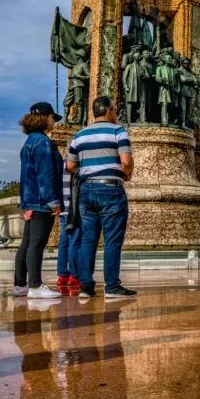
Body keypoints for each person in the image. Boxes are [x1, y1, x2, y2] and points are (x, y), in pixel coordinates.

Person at [67, 96, 137, 298]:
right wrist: (128, 172)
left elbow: (70, 166)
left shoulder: (79, 135)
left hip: (87, 189)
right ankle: (112, 286)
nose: (115, 113)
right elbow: (126, 160)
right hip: (110, 188)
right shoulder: (118, 131)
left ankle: (86, 287)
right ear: (108, 111)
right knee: (112, 240)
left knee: (88, 240)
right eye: (114, 110)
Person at [14, 102, 64, 300]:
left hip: (30, 198)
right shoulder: (43, 142)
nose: (54, 122)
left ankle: (20, 285)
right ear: (44, 118)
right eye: (53, 118)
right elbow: (45, 174)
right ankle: (35, 285)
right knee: (37, 243)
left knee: (27, 243)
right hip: (42, 200)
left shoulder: (29, 141)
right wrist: (53, 201)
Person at [56, 153, 81, 289]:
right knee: (75, 241)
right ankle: (74, 275)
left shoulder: (60, 164)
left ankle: (62, 275)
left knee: (63, 242)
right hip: (74, 208)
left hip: (62, 207)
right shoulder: (77, 164)